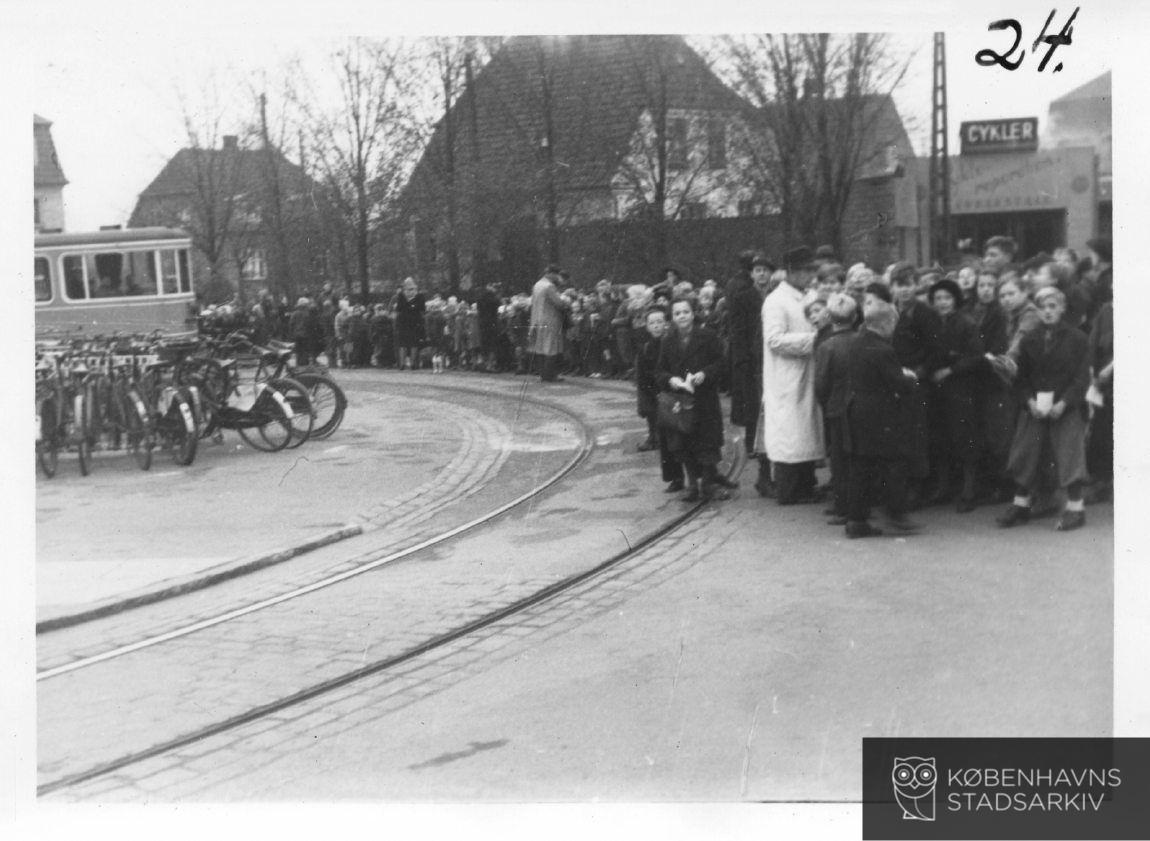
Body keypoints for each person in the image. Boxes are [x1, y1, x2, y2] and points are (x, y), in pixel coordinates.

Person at [997, 287, 1092, 532]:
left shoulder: (1078, 338)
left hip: (1066, 406)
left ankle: (1075, 508)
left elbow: (1081, 379)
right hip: (1035, 406)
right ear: (1036, 311)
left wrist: (1064, 403)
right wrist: (1028, 402)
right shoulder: (1030, 339)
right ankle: (1021, 505)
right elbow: (1021, 379)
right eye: (1042, 307)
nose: (1047, 312)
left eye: (1052, 306)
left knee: (1069, 455)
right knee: (1025, 452)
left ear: (1061, 308)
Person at [842, 301, 921, 538]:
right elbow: (896, 382)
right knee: (893, 463)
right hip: (880, 414)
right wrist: (910, 377)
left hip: (857, 410)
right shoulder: (884, 349)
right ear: (887, 323)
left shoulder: (856, 342)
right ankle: (897, 513)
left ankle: (856, 520)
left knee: (861, 466)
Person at [759, 246, 825, 505]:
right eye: (806, 272)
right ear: (792, 273)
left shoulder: (809, 296)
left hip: (807, 370)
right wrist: (813, 340)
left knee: (805, 430)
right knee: (790, 434)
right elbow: (774, 340)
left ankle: (806, 485)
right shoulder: (775, 301)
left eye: (811, 271)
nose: (810, 277)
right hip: (786, 376)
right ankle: (788, 490)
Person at [655, 298, 732, 501]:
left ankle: (708, 483)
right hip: (680, 401)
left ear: (693, 314)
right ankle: (691, 484)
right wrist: (670, 379)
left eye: (686, 312)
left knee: (707, 443)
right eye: (678, 313)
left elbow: (721, 363)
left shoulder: (707, 336)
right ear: (672, 317)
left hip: (704, 399)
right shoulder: (668, 341)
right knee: (684, 443)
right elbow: (660, 370)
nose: (682, 316)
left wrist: (705, 374)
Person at [926, 278, 984, 511]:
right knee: (941, 437)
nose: (942, 303)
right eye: (938, 298)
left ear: (956, 300)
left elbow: (976, 356)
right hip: (937, 388)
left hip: (961, 387)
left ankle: (969, 490)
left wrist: (951, 369)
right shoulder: (931, 323)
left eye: (947, 298)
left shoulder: (966, 323)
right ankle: (943, 487)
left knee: (964, 437)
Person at [726, 251, 770, 496]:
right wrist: (741, 360)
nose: (761, 274)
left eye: (765, 270)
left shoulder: (774, 295)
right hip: (751, 361)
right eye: (757, 270)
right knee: (754, 408)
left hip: (770, 359)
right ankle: (757, 452)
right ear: (752, 274)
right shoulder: (743, 297)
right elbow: (737, 331)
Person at [814, 292, 859, 524]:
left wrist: (825, 401)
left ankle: (843, 507)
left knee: (839, 459)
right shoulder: (862, 340)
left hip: (836, 407)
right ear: (854, 317)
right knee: (855, 458)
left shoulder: (827, 346)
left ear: (830, 317)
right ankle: (854, 505)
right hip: (858, 406)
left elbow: (820, 383)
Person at [528, 265, 570, 382]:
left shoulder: (537, 285)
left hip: (537, 320)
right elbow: (559, 304)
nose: (557, 277)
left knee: (540, 348)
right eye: (556, 274)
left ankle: (542, 374)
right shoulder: (549, 286)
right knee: (552, 348)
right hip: (550, 320)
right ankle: (550, 375)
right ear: (551, 273)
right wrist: (566, 301)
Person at [393, 277, 426, 370]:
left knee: (414, 343)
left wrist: (409, 306)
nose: (410, 289)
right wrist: (412, 306)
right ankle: (402, 364)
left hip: (415, 322)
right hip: (403, 322)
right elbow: (399, 308)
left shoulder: (420, 296)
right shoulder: (401, 295)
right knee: (402, 344)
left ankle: (413, 364)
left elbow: (421, 308)